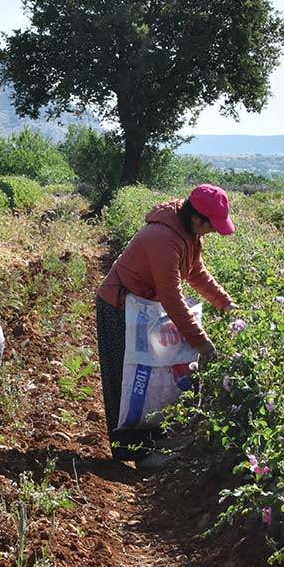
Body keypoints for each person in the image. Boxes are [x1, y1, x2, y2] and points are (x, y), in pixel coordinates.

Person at [96, 184, 238, 469]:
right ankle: (135, 453)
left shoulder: (188, 233)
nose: (213, 232)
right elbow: (172, 296)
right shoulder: (162, 238)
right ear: (198, 219)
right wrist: (200, 341)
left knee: (151, 380)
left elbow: (195, 271)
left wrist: (225, 302)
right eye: (212, 226)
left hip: (143, 309)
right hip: (119, 309)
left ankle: (154, 441)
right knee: (125, 382)